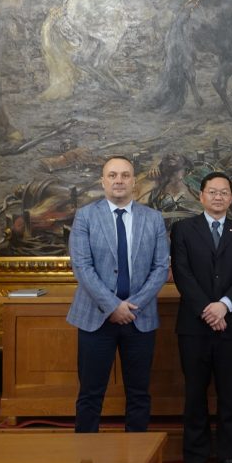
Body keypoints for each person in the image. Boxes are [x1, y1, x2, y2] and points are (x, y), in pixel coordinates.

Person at [66, 156, 170, 433]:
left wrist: (132, 306)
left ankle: (136, 456)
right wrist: (113, 306)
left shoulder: (153, 219)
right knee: (90, 395)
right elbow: (82, 266)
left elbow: (161, 268)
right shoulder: (85, 216)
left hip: (139, 318)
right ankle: (85, 455)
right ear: (103, 181)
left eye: (125, 175)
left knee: (139, 394)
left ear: (134, 181)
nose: (119, 180)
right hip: (95, 318)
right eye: (112, 175)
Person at [170, 172, 232, 463]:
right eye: (212, 192)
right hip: (194, 326)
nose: (218, 197)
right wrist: (207, 308)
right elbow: (181, 273)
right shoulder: (183, 229)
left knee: (230, 394)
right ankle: (195, 457)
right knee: (195, 394)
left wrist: (224, 305)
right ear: (201, 195)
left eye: (224, 192)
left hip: (230, 325)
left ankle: (229, 456)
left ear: (231, 198)